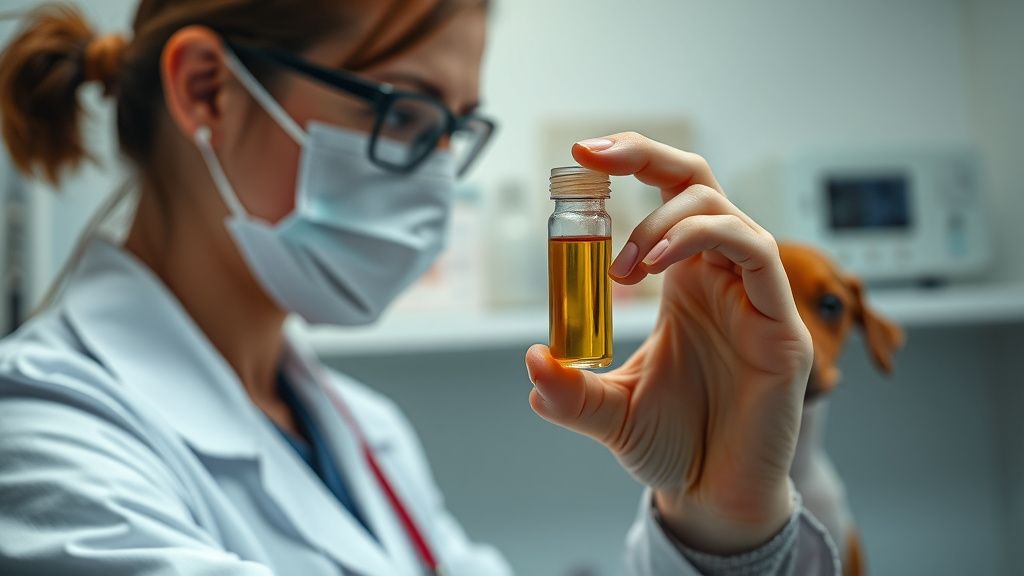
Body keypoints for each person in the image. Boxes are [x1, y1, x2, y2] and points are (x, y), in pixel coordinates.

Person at [0, 1, 838, 574]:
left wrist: (719, 522)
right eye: (404, 111)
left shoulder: (366, 434)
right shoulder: (43, 441)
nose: (437, 180)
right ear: (205, 90)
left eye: (455, 129)